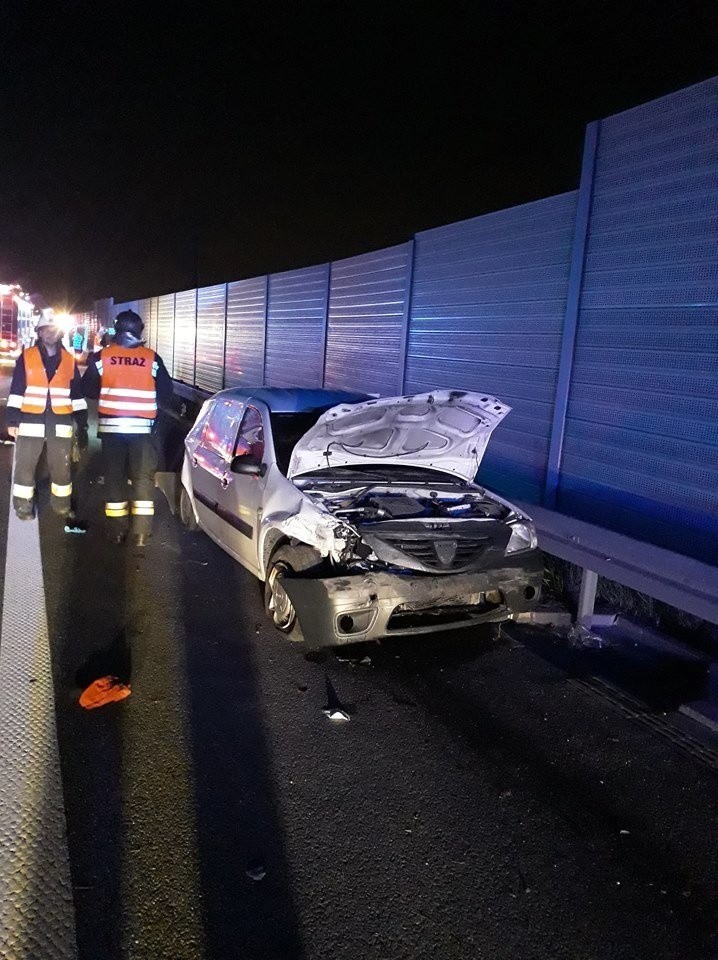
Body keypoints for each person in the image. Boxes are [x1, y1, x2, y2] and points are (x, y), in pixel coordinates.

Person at [81, 309, 172, 547]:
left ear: (117, 329)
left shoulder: (102, 357)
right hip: (142, 432)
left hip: (112, 432)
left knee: (114, 479)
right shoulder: (152, 358)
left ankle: (117, 531)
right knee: (143, 480)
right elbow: (166, 393)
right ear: (139, 330)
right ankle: (141, 533)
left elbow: (88, 390)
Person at [5, 311, 88, 520]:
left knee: (62, 468)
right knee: (25, 466)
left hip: (60, 421)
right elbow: (16, 390)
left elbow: (76, 395)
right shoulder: (27, 356)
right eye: (45, 330)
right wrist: (13, 419)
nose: (49, 333)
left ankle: (61, 505)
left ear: (59, 333)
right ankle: (23, 507)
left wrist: (82, 424)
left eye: (53, 329)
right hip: (30, 419)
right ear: (39, 333)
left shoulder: (69, 360)